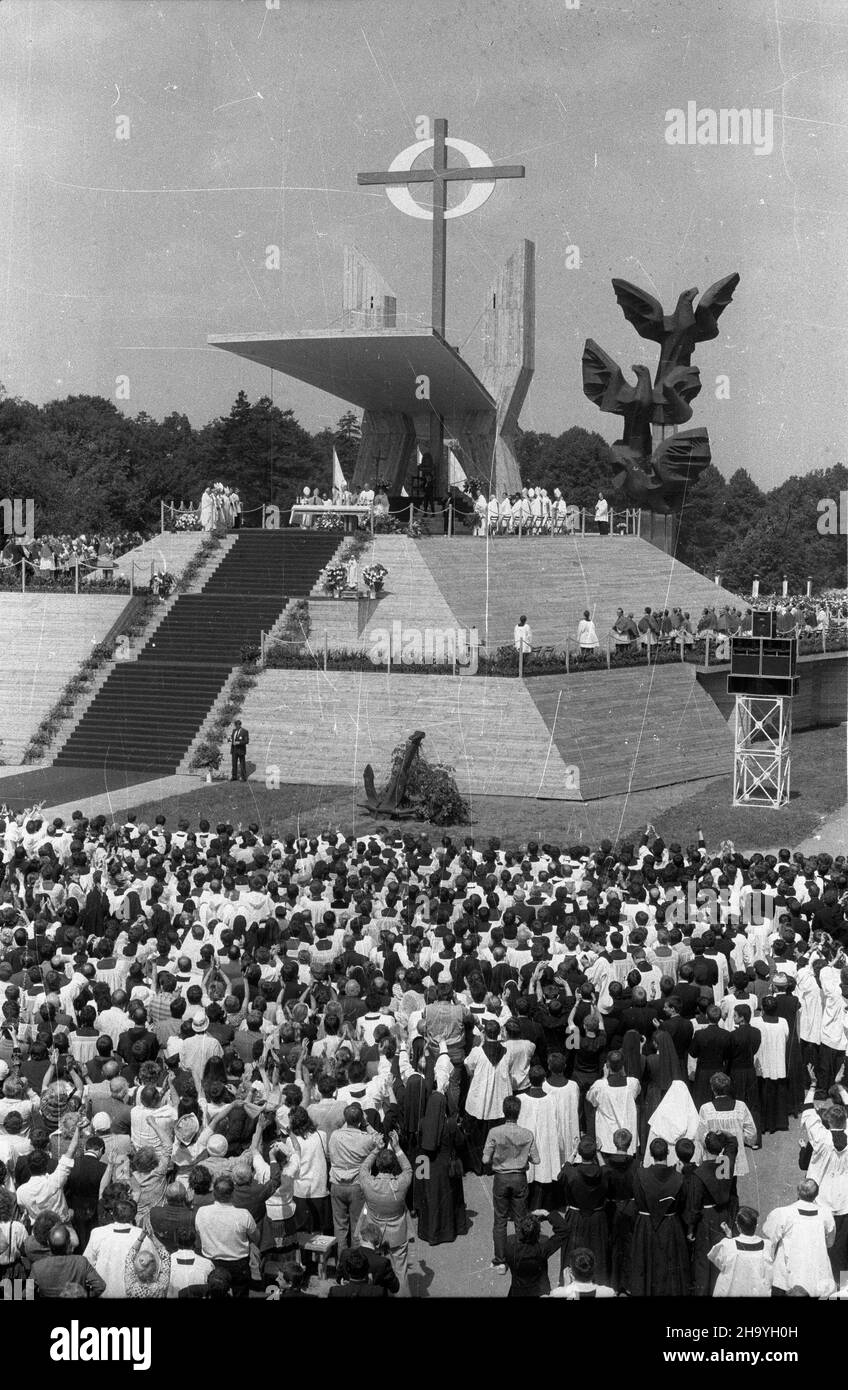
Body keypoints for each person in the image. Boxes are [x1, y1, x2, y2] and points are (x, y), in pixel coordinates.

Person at [482, 1095, 540, 1276]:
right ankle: (520, 1256)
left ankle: (500, 1261)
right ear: (518, 1112)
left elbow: (485, 1159)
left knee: (499, 1220)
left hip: (501, 1178)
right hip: (519, 1178)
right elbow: (537, 1160)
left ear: (503, 1110)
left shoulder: (494, 1132)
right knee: (520, 1219)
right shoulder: (527, 1134)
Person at [763, 1178, 836, 1297]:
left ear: (798, 1192)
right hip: (818, 1273)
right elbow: (830, 1242)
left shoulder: (783, 1213)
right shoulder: (826, 1213)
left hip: (788, 1275)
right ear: (816, 1194)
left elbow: (769, 1236)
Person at [194, 1174, 259, 1299]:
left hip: (212, 1263)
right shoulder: (243, 1215)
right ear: (233, 1193)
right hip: (237, 1265)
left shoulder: (202, 1212)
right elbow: (256, 1237)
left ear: (214, 1193)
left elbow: (199, 1232)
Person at [707, 1205, 775, 1298]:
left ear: (738, 1226)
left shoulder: (727, 1245)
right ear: (756, 1226)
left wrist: (729, 1238)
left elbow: (716, 1259)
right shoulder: (768, 1245)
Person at [549, 1244, 616, 1299]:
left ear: (570, 1272)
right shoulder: (608, 1293)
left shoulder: (557, 1293)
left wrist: (566, 1287)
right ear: (594, 1269)